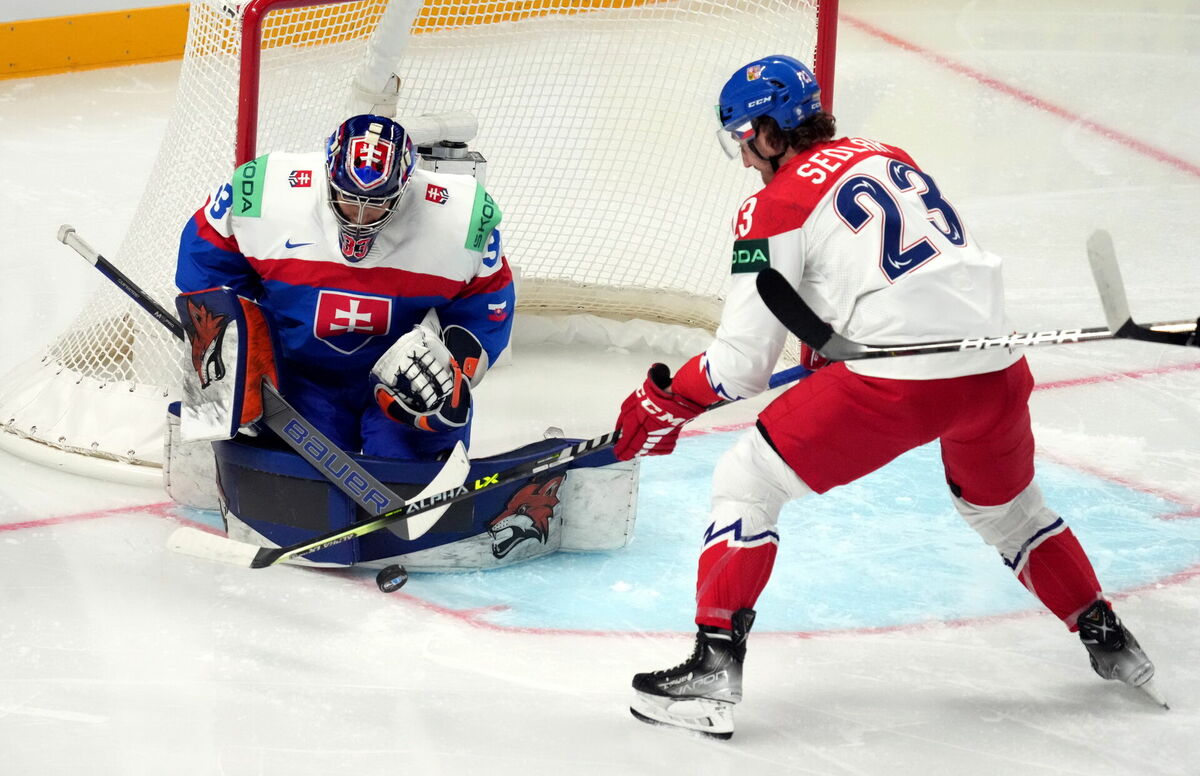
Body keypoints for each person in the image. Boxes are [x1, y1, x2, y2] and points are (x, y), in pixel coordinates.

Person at [612, 55, 1162, 738]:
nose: (746, 161)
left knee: (745, 479)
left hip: (898, 382)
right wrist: (825, 347)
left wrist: (663, 400)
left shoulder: (773, 204)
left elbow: (738, 369)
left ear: (770, 131)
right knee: (1012, 514)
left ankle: (711, 672)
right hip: (996, 369)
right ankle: (1107, 636)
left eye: (745, 141)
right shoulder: (884, 154)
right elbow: (896, 276)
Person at [176, 114, 514, 461]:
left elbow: (489, 306)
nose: (360, 216)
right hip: (298, 373)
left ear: (405, 187)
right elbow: (206, 261)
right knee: (287, 468)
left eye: (378, 202)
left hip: (403, 379)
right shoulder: (262, 189)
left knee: (415, 451)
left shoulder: (464, 218)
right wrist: (234, 349)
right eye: (349, 198)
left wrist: (453, 363)